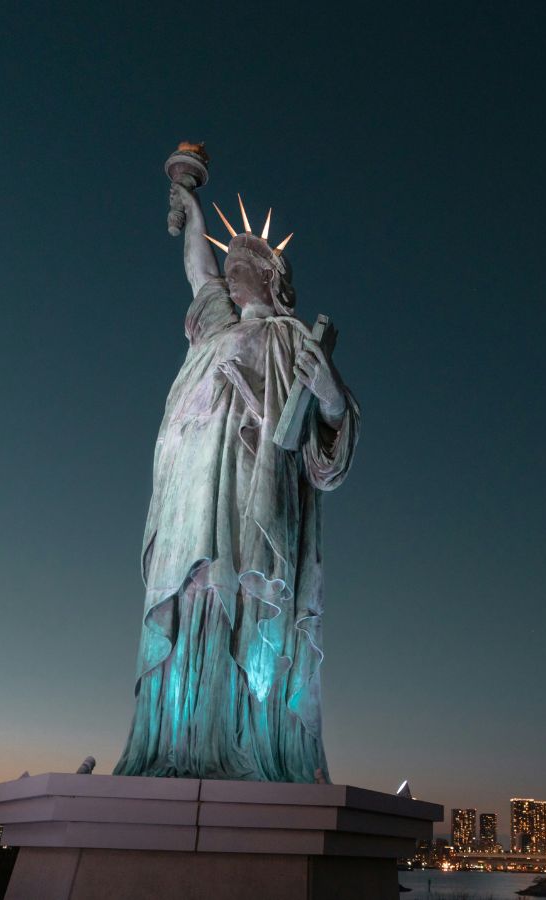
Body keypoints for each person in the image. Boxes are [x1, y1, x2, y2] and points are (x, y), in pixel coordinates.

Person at [111, 178, 358, 783]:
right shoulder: (217, 327)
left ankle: (249, 737)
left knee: (248, 598)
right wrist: (192, 210)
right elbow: (198, 273)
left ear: (272, 280)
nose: (230, 272)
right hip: (191, 480)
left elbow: (328, 439)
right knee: (192, 589)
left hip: (255, 489)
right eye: (230, 264)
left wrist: (329, 397)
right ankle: (180, 739)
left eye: (243, 265)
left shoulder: (292, 338)